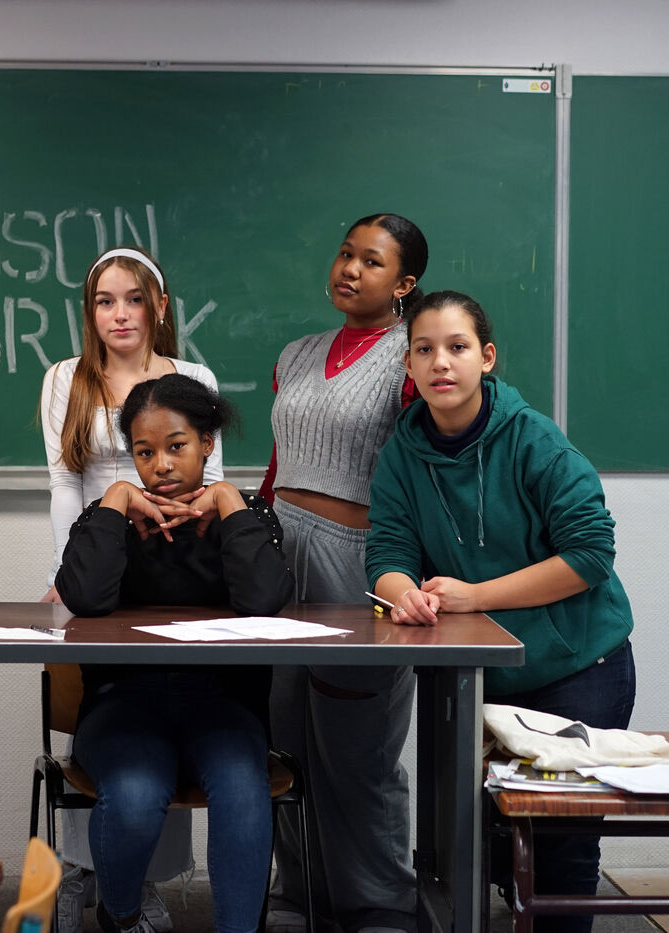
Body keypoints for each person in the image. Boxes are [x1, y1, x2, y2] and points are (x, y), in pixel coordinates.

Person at [366, 290, 637, 933]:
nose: (442, 362)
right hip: (481, 674)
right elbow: (388, 551)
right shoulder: (402, 453)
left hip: (579, 664)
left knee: (561, 843)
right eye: (425, 349)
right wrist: (402, 592)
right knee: (482, 844)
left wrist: (477, 595)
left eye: (457, 347)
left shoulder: (533, 439)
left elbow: (591, 554)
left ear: (486, 358)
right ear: (408, 365)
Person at [57, 373, 293, 933]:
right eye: (144, 452)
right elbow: (83, 598)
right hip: (123, 704)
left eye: (176, 446)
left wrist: (229, 500)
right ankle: (121, 916)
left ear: (207, 444)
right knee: (135, 794)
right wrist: (116, 500)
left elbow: (265, 599)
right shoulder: (107, 519)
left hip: (224, 705)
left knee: (243, 792)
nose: (161, 465)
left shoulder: (248, 516)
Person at [39, 246, 221, 929]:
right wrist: (65, 573)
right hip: (96, 569)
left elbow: (210, 484)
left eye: (134, 299)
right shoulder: (67, 378)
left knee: (160, 718)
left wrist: (197, 569)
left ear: (160, 307)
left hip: (172, 574)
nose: (119, 314)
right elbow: (65, 481)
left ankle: (139, 881)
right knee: (105, 717)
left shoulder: (192, 377)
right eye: (104, 301)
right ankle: (81, 868)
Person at [261, 213, 428, 933]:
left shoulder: (413, 357)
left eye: (372, 261)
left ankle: (380, 901)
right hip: (279, 554)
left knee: (358, 747)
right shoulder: (296, 354)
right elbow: (278, 465)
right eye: (345, 253)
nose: (350, 269)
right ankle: (300, 892)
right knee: (282, 739)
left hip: (356, 562)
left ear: (405, 283)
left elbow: (425, 469)